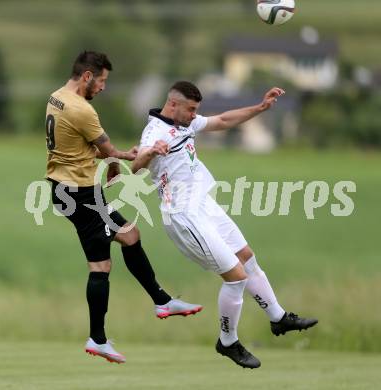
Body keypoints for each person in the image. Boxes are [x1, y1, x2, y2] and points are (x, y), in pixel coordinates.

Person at [132, 81, 318, 369]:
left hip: (205, 205)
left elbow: (222, 120)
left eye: (197, 110)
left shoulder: (186, 123)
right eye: (191, 109)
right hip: (184, 215)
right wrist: (150, 152)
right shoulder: (155, 132)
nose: (195, 115)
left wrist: (260, 107)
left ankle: (278, 318)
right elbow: (136, 165)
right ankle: (227, 341)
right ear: (174, 105)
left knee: (247, 258)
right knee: (236, 277)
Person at [45, 54, 202, 364]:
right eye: (102, 81)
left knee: (130, 235)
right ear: (88, 76)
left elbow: (84, 146)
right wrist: (124, 156)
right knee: (100, 266)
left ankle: (161, 301)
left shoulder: (57, 97)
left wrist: (114, 159)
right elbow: (107, 149)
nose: (103, 87)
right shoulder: (82, 110)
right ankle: (98, 339)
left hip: (70, 189)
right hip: (80, 195)